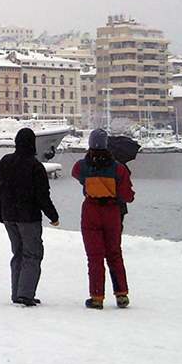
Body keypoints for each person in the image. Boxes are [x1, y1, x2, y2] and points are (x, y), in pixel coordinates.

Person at [0, 128, 60, 307]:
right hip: (29, 218)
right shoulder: (35, 166)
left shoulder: (5, 161)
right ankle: (25, 294)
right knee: (32, 254)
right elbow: (42, 196)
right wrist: (53, 216)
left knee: (18, 253)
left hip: (8, 216)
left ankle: (17, 293)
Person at [72, 128, 134, 310]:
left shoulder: (81, 166)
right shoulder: (118, 168)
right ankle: (121, 294)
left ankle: (97, 297)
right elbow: (127, 196)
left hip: (91, 211)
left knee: (94, 257)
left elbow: (76, 174)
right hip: (111, 212)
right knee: (114, 254)